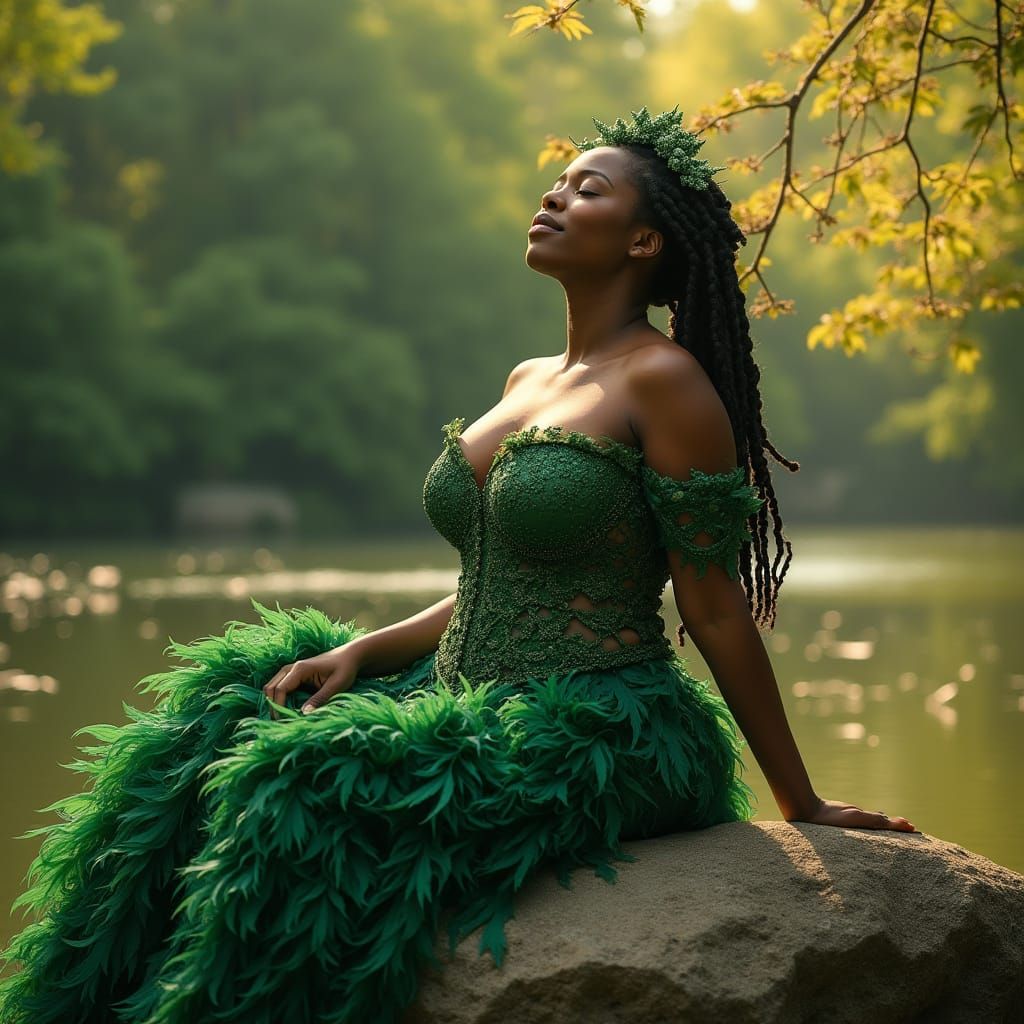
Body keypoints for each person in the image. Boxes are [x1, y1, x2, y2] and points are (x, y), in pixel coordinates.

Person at [0, 106, 915, 1024]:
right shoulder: (526, 379)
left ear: (642, 240)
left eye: (587, 189)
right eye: (558, 181)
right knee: (220, 715)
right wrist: (367, 651)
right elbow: (503, 576)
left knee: (300, 785)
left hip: (599, 726)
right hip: (461, 690)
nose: (555, 194)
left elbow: (714, 610)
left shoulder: (664, 384)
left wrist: (802, 800)